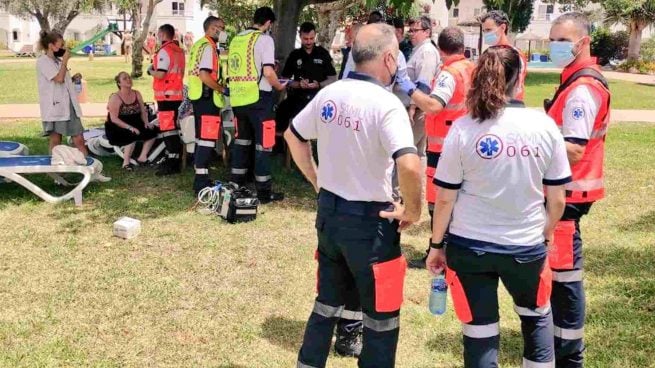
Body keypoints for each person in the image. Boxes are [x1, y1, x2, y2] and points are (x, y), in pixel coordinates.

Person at [285, 23, 422, 368]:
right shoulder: (387, 105)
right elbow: (408, 163)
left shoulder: (330, 94)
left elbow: (293, 135)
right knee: (382, 316)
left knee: (325, 303)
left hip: (330, 215)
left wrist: (318, 182)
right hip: (371, 224)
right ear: (390, 59)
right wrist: (414, 210)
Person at [426, 45, 571, 368]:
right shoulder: (544, 126)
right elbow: (558, 198)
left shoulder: (463, 128)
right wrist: (545, 233)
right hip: (526, 247)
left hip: (470, 247)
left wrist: (437, 245)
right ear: (519, 79)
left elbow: (445, 197)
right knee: (536, 319)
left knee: (480, 332)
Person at [545, 13, 611, 368]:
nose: (556, 45)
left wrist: (532, 144)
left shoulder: (582, 89)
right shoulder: (574, 81)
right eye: (553, 39)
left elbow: (573, 147)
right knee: (559, 274)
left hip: (567, 195)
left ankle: (569, 355)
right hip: (566, 192)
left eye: (562, 40)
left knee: (565, 277)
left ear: (583, 42)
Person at [402, 27, 475, 266]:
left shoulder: (448, 73)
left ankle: (437, 251)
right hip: (466, 146)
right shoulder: (471, 68)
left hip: (443, 148)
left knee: (438, 202)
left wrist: (409, 89)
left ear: (440, 49)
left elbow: (434, 106)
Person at [227, 6, 287, 203]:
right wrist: (280, 87)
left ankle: (236, 183)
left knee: (242, 142)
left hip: (238, 99)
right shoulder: (265, 39)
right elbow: (269, 72)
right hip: (260, 99)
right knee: (264, 145)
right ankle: (263, 191)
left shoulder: (236, 39)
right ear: (268, 23)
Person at [187, 16, 227, 193]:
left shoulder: (198, 45)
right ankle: (200, 182)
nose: (223, 31)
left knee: (201, 139)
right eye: (221, 28)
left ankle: (201, 176)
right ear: (212, 29)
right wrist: (221, 88)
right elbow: (204, 75)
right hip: (207, 97)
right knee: (207, 141)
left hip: (198, 98)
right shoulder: (209, 48)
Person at [276, 22, 337, 134]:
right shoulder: (294, 55)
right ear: (300, 36)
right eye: (305, 39)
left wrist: (319, 84)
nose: (309, 41)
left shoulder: (323, 54)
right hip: (297, 99)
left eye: (311, 38)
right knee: (280, 112)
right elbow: (284, 80)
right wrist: (298, 84)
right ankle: (281, 147)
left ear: (315, 36)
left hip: (319, 99)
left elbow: (333, 79)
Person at [36, 30, 88, 156]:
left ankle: (88, 169)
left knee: (79, 138)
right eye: (61, 45)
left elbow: (62, 80)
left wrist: (72, 79)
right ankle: (57, 172)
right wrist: (65, 61)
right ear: (51, 46)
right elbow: (58, 79)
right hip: (55, 107)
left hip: (68, 104)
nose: (63, 48)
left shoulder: (58, 61)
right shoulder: (43, 61)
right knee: (56, 140)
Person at [147, 24, 186, 176]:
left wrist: (150, 71)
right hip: (177, 94)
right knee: (174, 128)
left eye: (158, 34)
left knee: (168, 130)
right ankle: (173, 159)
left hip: (166, 95)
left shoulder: (165, 51)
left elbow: (161, 74)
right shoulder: (179, 51)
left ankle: (172, 162)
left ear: (163, 35)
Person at [105, 72, 158, 170]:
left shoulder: (136, 93)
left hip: (136, 121)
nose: (128, 79)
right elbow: (114, 119)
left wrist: (146, 122)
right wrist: (130, 127)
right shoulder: (115, 97)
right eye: (125, 78)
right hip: (118, 125)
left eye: (129, 77)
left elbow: (143, 110)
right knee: (131, 134)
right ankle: (126, 163)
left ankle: (142, 157)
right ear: (119, 83)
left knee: (153, 130)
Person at [406, 16, 440, 159]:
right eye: (410, 30)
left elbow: (424, 82)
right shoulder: (419, 50)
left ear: (427, 32)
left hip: (418, 111)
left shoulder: (427, 51)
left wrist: (413, 108)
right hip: (416, 109)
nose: (411, 34)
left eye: (415, 31)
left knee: (407, 151)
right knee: (416, 154)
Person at [481, 10, 528, 100]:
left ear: (502, 27)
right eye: (484, 31)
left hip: (511, 105)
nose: (486, 34)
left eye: (488, 30)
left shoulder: (516, 54)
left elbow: (517, 84)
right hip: (488, 105)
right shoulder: (487, 53)